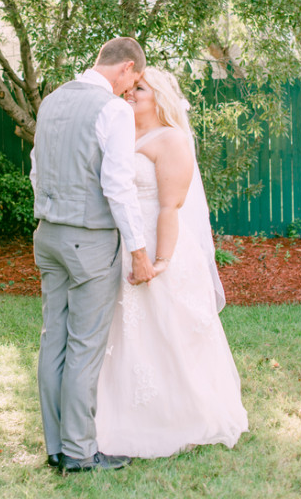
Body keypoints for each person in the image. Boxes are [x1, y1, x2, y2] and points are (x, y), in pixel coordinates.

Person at [95, 68, 248, 458]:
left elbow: (170, 207)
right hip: (123, 244)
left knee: (170, 330)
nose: (130, 94)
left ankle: (184, 415)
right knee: (126, 332)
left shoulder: (171, 139)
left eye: (139, 89)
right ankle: (118, 412)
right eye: (129, 88)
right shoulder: (120, 134)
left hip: (163, 246)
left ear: (159, 97)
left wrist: (161, 260)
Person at [31, 38, 158, 473]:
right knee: (85, 346)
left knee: (54, 339)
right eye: (134, 81)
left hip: (47, 234)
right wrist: (138, 252)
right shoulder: (113, 111)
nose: (131, 91)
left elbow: (36, 168)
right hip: (90, 240)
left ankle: (56, 447)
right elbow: (118, 187)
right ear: (126, 68)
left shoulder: (51, 101)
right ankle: (81, 453)